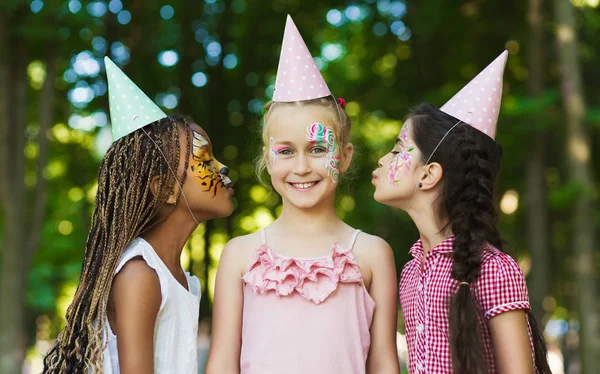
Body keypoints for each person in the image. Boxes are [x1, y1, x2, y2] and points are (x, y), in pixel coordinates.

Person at [206, 15, 400, 374]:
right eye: (286, 151)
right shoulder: (239, 255)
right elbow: (221, 364)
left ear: (343, 156)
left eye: (317, 149)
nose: (301, 167)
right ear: (268, 158)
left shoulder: (372, 254)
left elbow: (384, 362)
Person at [43, 57, 235, 374]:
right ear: (165, 190)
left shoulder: (182, 280)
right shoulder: (141, 274)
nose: (222, 168)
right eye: (204, 160)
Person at [371, 51, 551, 373]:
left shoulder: (493, 268)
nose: (383, 160)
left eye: (398, 149)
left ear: (429, 174)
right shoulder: (411, 272)